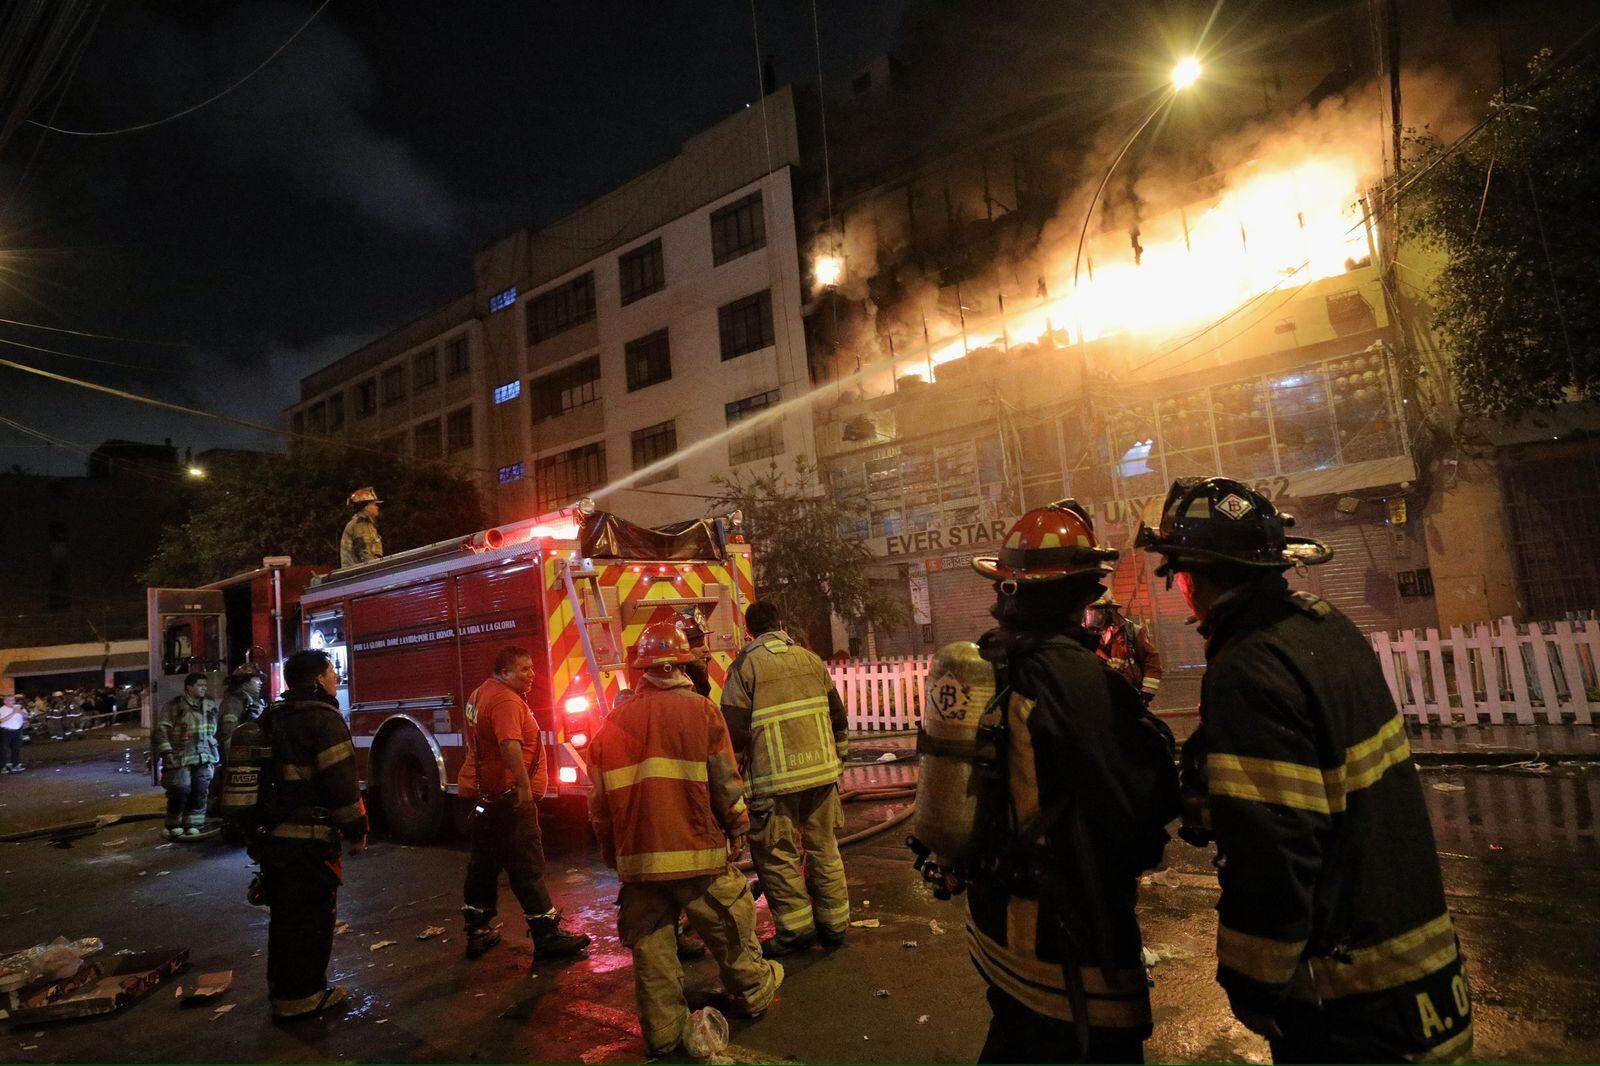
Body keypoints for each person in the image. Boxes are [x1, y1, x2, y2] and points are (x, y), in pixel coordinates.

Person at [1137, 476, 1472, 1063]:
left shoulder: (1248, 667)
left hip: (1353, 1003)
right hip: (1426, 972)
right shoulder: (1325, 629)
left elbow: (1274, 843)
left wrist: (1252, 977)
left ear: (1189, 575)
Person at [963, 500, 1180, 1064]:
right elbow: (1132, 814)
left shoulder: (990, 660)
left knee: (1013, 1035)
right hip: (1066, 934)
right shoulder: (1076, 679)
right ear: (1081, 593)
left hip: (995, 918)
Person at [587, 621, 783, 1057]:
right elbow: (725, 784)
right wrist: (737, 828)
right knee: (731, 925)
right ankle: (753, 994)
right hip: (695, 852)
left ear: (642, 671)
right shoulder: (701, 711)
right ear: (682, 666)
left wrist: (610, 852)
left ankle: (663, 1034)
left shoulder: (611, 725)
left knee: (652, 953)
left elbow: (599, 807)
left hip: (639, 863)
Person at [720, 600, 850, 957]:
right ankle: (835, 925)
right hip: (822, 776)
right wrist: (839, 760)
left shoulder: (745, 667)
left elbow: (733, 734)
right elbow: (838, 718)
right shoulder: (810, 659)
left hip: (773, 782)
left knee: (779, 855)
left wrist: (732, 788)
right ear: (780, 623)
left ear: (750, 631)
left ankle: (796, 932)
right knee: (825, 849)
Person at [251, 649, 368, 1021]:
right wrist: (357, 830)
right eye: (333, 672)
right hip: (310, 842)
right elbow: (341, 786)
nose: (336, 678)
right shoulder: (323, 719)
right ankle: (303, 995)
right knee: (311, 919)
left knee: (285, 919)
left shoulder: (272, 716)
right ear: (319, 679)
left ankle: (284, 992)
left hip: (273, 842)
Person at [457, 645, 590, 964]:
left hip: (488, 797)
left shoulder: (480, 693)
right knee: (527, 866)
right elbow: (508, 744)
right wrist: (523, 785)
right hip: (509, 798)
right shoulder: (504, 700)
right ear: (504, 672)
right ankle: (546, 936)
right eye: (524, 669)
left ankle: (477, 930)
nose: (532, 675)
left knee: (484, 865)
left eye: (532, 668)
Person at [153, 672, 220, 839]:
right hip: (180, 755)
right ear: (189, 688)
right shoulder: (174, 706)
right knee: (180, 788)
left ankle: (194, 824)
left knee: (200, 790)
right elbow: (161, 730)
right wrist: (166, 751)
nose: (204, 688)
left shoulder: (210, 704)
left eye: (205, 685)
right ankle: (174, 823)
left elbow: (215, 728)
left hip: (204, 755)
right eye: (200, 685)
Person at [1085, 593, 1164, 707]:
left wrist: (1147, 691)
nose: (1093, 618)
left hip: (1129, 695)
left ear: (1110, 612)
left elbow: (1151, 659)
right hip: (1100, 697)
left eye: (1097, 613)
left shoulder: (1131, 632)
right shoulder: (1086, 635)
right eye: (1090, 613)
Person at [212, 666, 268, 817]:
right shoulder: (233, 702)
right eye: (256, 679)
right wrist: (234, 759)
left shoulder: (252, 700)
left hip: (251, 756)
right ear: (244, 683)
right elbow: (228, 733)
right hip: (240, 759)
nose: (260, 683)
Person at [339, 487, 384, 568]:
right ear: (366, 507)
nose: (377, 507)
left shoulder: (365, 524)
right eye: (374, 504)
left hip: (359, 572)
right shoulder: (360, 524)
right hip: (359, 573)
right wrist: (377, 568)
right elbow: (363, 552)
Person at [1, 695, 25, 772]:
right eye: (10, 700)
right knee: (5, 749)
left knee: (16, 749)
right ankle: (3, 766)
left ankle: (15, 764)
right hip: (6, 731)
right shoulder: (1, 709)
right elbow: (1, 720)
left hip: (17, 731)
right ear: (5, 701)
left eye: (13, 700)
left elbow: (27, 716)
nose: (13, 702)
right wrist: (13, 712)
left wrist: (20, 711)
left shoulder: (18, 707)